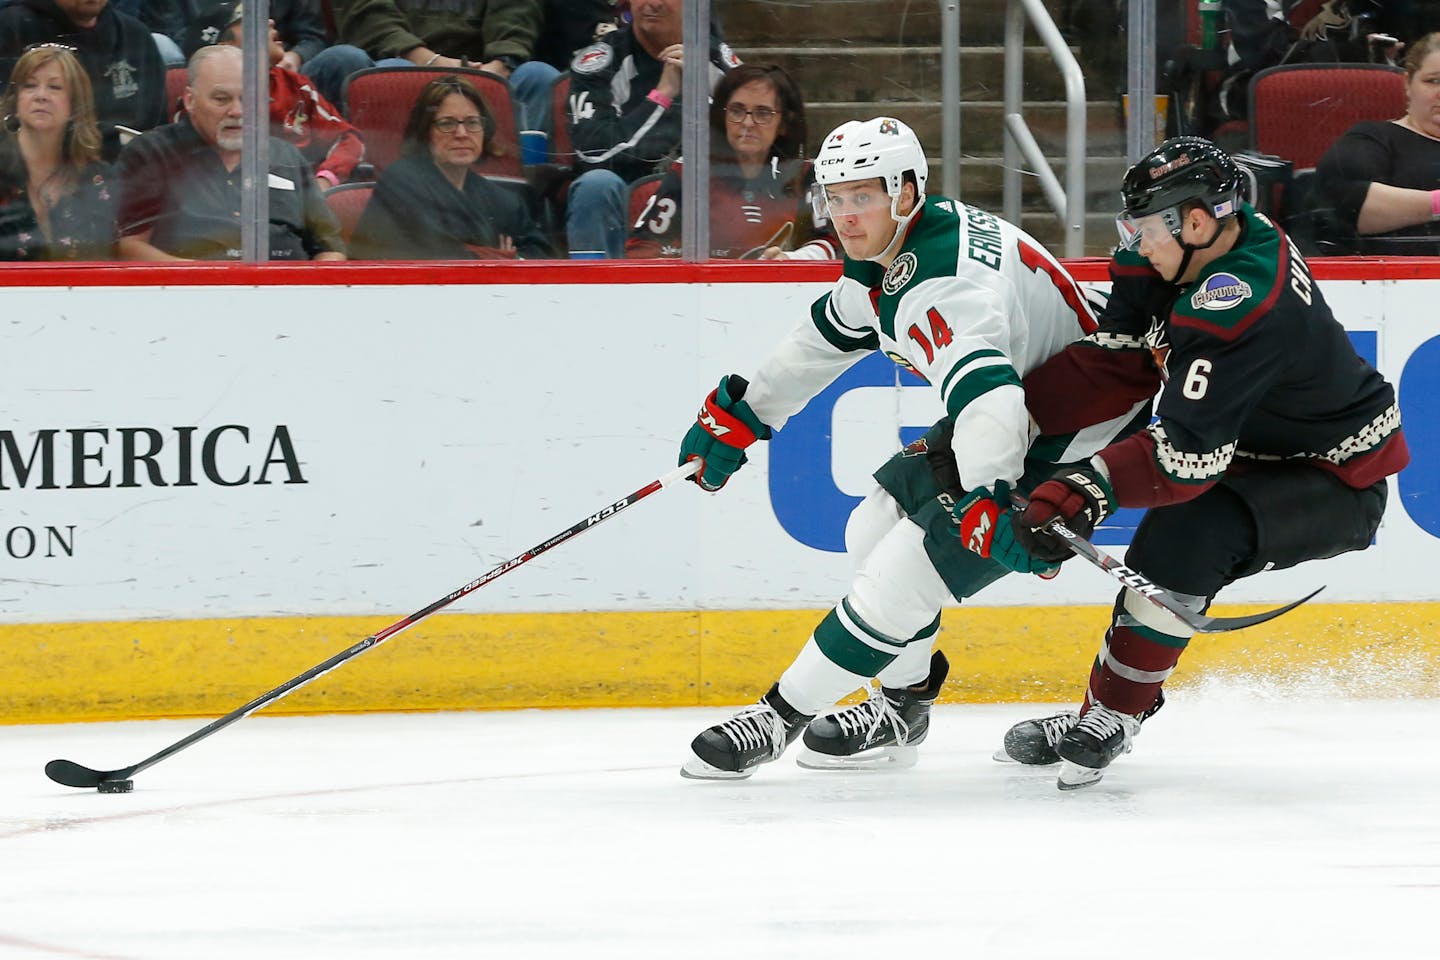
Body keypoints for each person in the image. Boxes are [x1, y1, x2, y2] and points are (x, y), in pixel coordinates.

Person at [675, 116, 1148, 781]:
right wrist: (746, 412)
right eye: (834, 198)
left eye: (860, 196)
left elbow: (993, 403)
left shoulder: (942, 284)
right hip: (1032, 405)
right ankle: (902, 711)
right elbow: (832, 335)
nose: (844, 214)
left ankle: (778, 718)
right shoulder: (900, 247)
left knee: (905, 571)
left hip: (1078, 427)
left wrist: (992, 499)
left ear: (905, 192)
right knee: (872, 526)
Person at [995, 136, 1409, 790]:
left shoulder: (1242, 297)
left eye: (1145, 226)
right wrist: (996, 425)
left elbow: (1186, 458)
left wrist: (1084, 490)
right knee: (1174, 526)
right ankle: (1103, 709)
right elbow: (1115, 367)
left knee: (1186, 533)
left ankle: (1111, 714)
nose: (1133, 242)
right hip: (1240, 443)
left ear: (1195, 221)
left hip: (1330, 478)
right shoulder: (1183, 250)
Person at [114, 43, 346, 260]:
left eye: (247, 99)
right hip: (192, 295)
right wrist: (217, 281)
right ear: (190, 100)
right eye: (221, 99)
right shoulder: (151, 154)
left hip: (288, 293)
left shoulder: (287, 157)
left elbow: (330, 249)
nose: (237, 111)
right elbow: (129, 248)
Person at [565, 0, 739, 257]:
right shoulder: (601, 62)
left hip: (704, 188)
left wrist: (705, 99)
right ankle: (593, 290)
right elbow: (594, 154)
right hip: (623, 188)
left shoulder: (717, 60)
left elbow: (755, 146)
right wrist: (663, 95)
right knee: (595, 185)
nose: (653, 3)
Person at [626, 63, 836, 260]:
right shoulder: (690, 172)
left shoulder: (805, 175)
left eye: (762, 113)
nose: (747, 123)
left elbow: (829, 243)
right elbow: (641, 248)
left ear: (783, 124)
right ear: (722, 117)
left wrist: (790, 260)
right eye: (736, 110)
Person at [348, 74, 552, 259]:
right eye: (447, 124)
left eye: (472, 123)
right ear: (425, 132)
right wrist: (493, 258)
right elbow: (431, 254)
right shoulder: (401, 181)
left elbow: (540, 255)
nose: (462, 133)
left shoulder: (502, 200)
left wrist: (511, 260)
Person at [181, 1, 366, 189]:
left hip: (302, 198)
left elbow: (349, 140)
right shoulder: (198, 103)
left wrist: (323, 182)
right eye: (254, 21)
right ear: (225, 47)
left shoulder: (295, 85)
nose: (270, 22)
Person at [1312, 31, 1440, 254]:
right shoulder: (1371, 138)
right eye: (1433, 81)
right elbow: (1351, 208)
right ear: (1408, 83)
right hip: (1393, 277)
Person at [0, 0, 166, 159]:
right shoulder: (12, 28)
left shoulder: (136, 35)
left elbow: (158, 124)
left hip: (129, 164)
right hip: (32, 164)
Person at [0, 43, 116, 258]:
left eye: (55, 87)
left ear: (74, 104)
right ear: (15, 100)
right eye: (30, 86)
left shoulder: (97, 178)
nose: (41, 95)